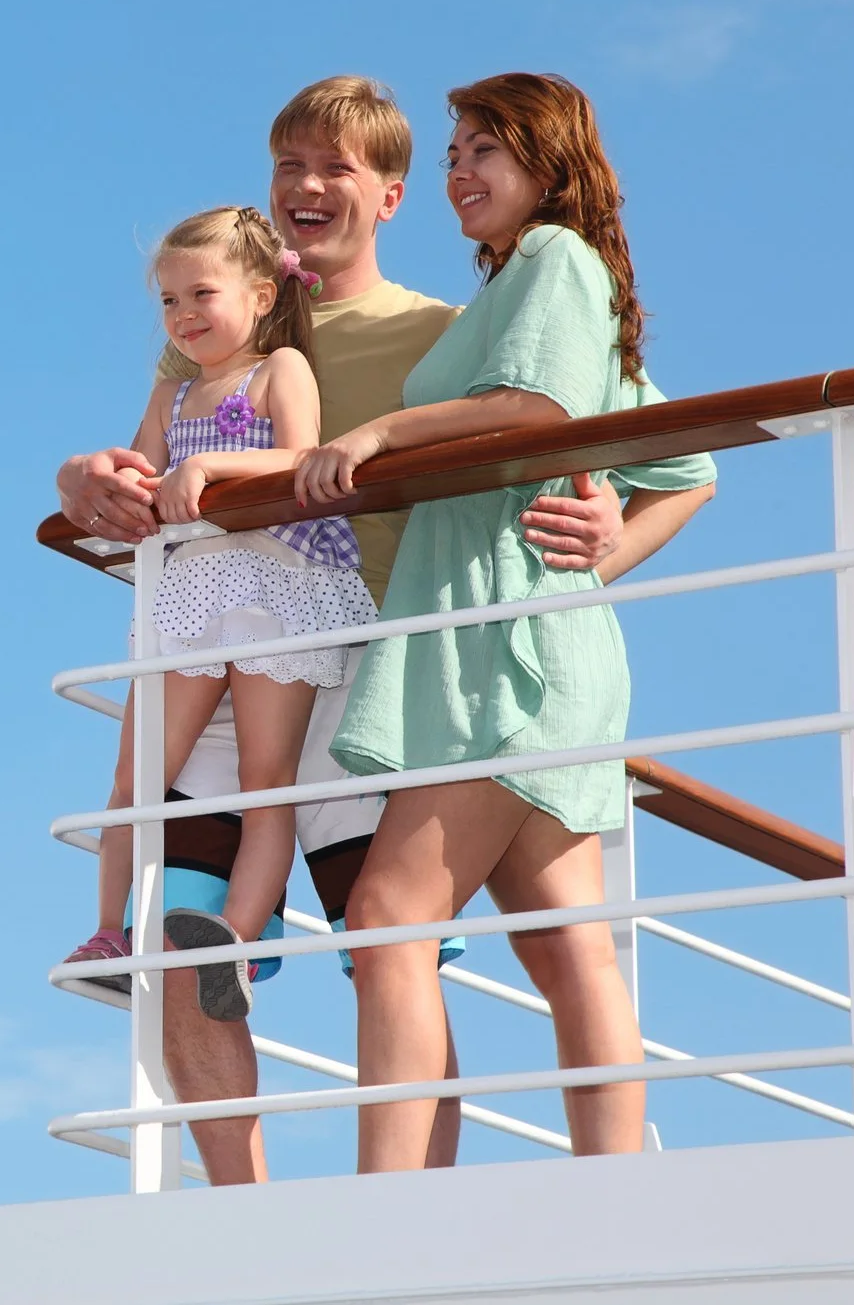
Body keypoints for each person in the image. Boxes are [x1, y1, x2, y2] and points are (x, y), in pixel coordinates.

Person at [55, 76, 715, 1185]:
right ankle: (245, 1210)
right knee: (179, 938)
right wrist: (82, 474)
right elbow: (144, 454)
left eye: (335, 169)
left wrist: (602, 522)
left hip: (377, 661)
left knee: (383, 944)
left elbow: (631, 434)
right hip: (218, 654)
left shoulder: (460, 321)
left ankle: (411, 1201)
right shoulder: (211, 319)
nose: (306, 187)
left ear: (388, 195)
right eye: (287, 167)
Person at [297, 72, 718, 1172]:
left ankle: (389, 1199)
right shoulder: (544, 289)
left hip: (500, 644)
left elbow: (543, 413)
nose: (458, 172)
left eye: (483, 149)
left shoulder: (551, 263)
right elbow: (680, 467)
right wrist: (600, 554)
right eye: (451, 154)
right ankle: (612, 1181)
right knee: (561, 940)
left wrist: (383, 431)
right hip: (517, 638)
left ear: (548, 164)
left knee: (389, 912)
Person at [63, 205, 379, 1024]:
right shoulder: (171, 390)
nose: (184, 315)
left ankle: (234, 940)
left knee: (266, 781)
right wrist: (116, 478)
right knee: (140, 776)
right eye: (168, 301)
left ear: (263, 294)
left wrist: (207, 462)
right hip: (191, 593)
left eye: (200, 292)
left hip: (275, 584)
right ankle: (109, 933)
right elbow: (142, 470)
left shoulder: (279, 371)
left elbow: (299, 455)